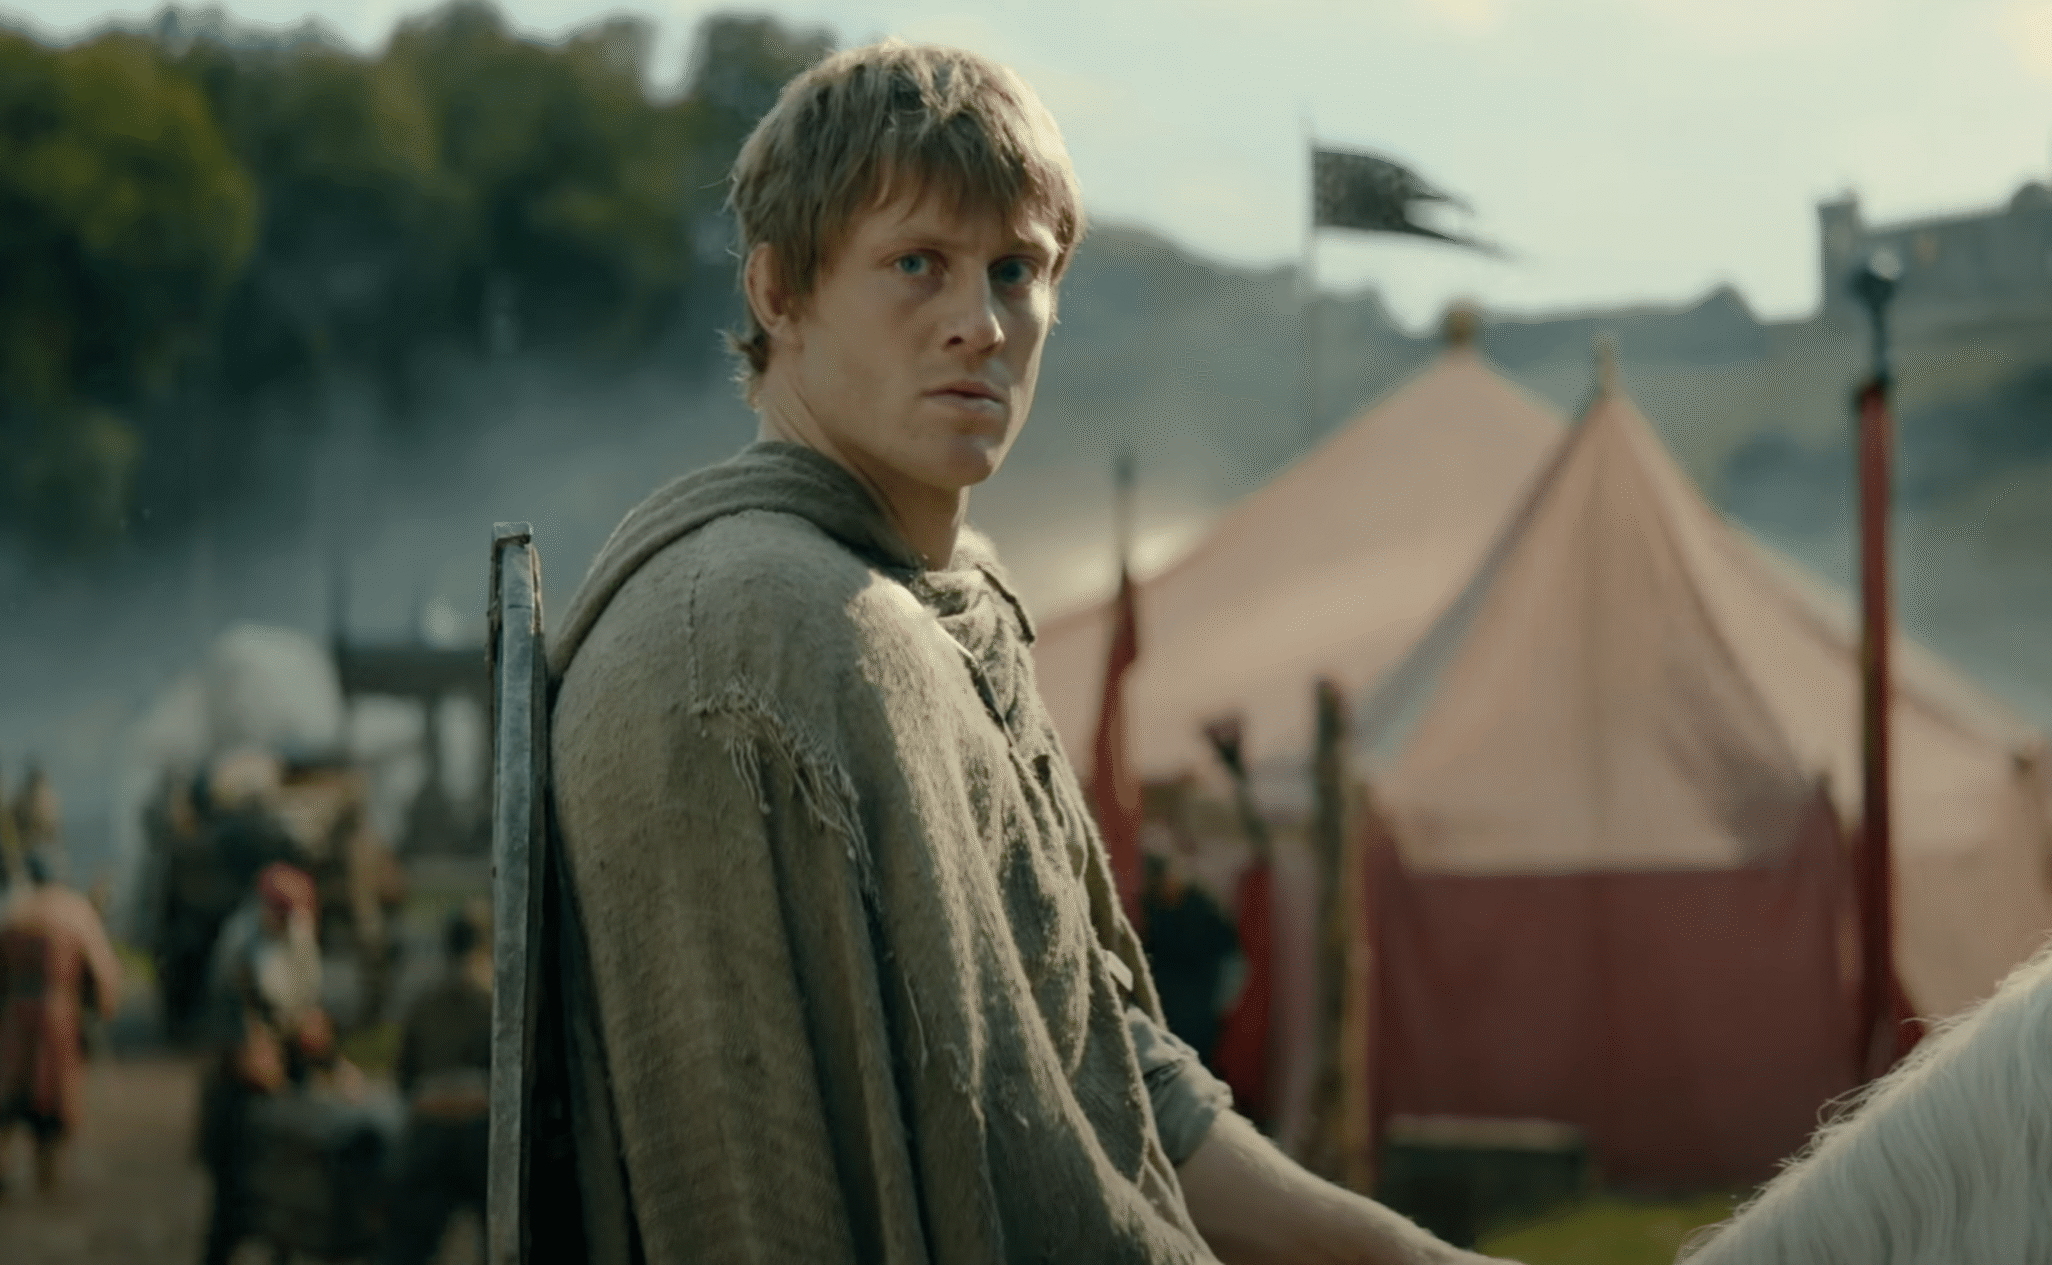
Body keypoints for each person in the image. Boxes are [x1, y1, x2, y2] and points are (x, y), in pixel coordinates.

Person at [545, 39, 1506, 1264]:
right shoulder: (761, 636)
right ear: (779, 289)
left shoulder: (941, 610)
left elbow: (1098, 1066)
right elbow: (750, 1187)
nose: (979, 325)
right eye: (916, 264)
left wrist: (1407, 1256)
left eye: (1015, 270)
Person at [196, 862, 340, 1265]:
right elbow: (234, 1024)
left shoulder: (299, 939)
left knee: (288, 1196)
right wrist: (256, 1050)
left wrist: (320, 1051)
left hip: (286, 1080)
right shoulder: (239, 946)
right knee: (232, 1200)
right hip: (239, 1092)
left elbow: (306, 1004)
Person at [0, 849, 124, 1200]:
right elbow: (103, 973)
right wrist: (100, 1012)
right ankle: (47, 1173)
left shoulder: (13, 912)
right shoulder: (76, 913)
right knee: (54, 1097)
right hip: (58, 1013)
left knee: (7, 1096)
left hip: (16, 1014)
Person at [381, 903, 492, 1265]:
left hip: (431, 1133)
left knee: (409, 1244)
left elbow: (404, 1078)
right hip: (479, 1137)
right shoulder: (494, 1005)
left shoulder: (424, 1004)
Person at [1142, 852, 1241, 1068]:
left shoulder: (1203, 910)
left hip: (1199, 1015)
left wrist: (1220, 1006)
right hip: (1166, 1017)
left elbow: (1232, 961)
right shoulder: (1153, 912)